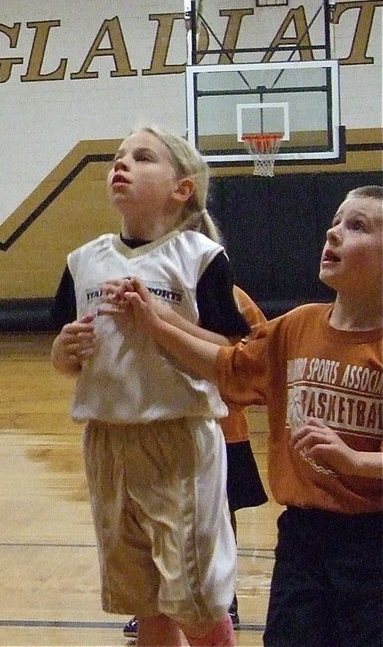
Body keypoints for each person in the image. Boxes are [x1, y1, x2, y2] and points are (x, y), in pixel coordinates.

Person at [113, 185, 382, 647]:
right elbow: (226, 363)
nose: (333, 233)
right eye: (335, 221)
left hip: (372, 541)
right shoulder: (296, 327)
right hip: (302, 539)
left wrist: (355, 462)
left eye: (357, 226)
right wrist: (157, 321)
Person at [49, 126, 249, 647]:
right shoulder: (82, 260)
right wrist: (63, 353)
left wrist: (159, 320)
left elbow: (231, 355)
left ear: (181, 188)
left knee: (194, 600)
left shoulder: (199, 256)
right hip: (106, 439)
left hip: (177, 440)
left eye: (142, 158)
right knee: (143, 600)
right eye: (118, 157)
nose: (122, 164)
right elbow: (64, 356)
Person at [123, 284, 270, 638]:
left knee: (220, 516)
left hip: (222, 427)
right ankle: (156, 606)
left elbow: (258, 348)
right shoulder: (143, 293)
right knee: (156, 519)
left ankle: (225, 598)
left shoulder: (228, 295)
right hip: (159, 429)